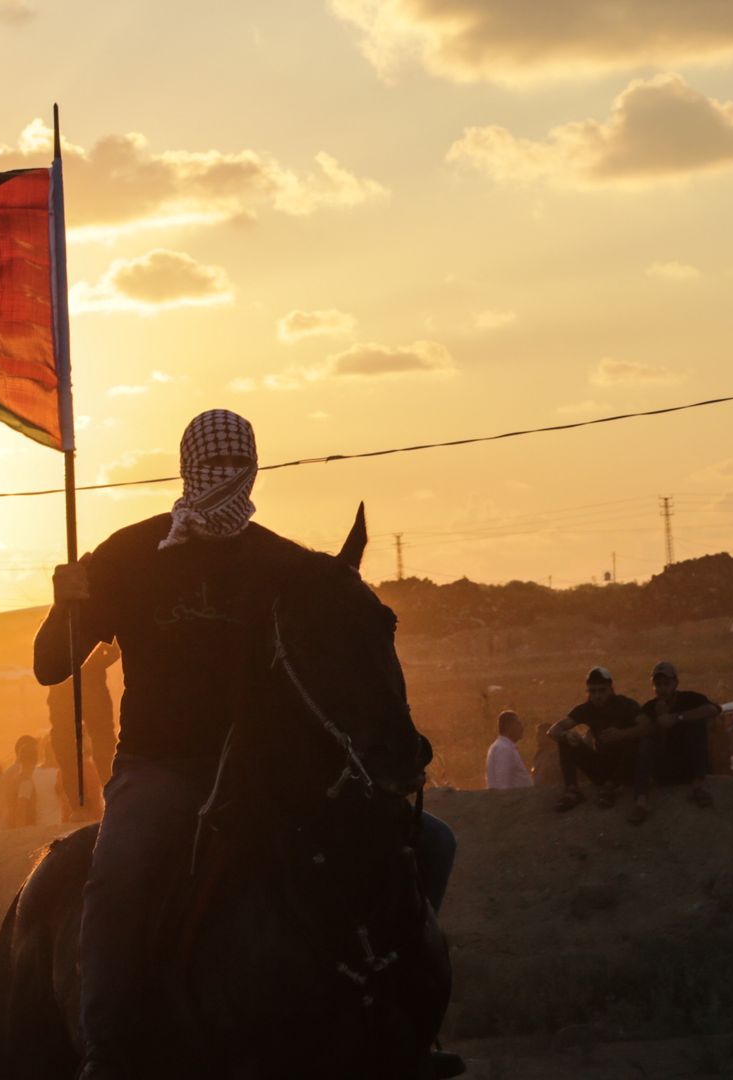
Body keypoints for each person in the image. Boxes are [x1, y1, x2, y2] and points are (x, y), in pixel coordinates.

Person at [32, 409, 459, 1078]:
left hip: (270, 771)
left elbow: (341, 645)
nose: (226, 478)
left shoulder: (283, 564)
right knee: (119, 874)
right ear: (186, 467)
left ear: (255, 467)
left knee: (431, 843)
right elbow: (50, 666)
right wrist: (67, 607)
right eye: (215, 465)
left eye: (239, 465)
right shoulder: (129, 556)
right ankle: (108, 1048)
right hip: (162, 768)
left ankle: (402, 1018)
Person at [548, 667, 650, 819]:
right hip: (601, 767)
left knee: (636, 740)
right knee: (566, 740)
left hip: (625, 767)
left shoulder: (625, 705)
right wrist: (566, 735)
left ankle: (612, 787)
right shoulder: (586, 709)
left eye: (601, 690)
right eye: (592, 691)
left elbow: (647, 726)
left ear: (611, 689)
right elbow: (553, 730)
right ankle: (572, 790)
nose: (597, 696)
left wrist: (621, 734)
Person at [637, 661, 721, 815]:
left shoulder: (689, 699)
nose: (662, 688)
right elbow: (639, 727)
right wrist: (657, 720)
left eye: (666, 683)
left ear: (675, 683)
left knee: (696, 724)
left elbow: (713, 709)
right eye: (658, 684)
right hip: (664, 769)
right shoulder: (650, 707)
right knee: (646, 741)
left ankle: (698, 787)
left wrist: (678, 717)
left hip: (688, 765)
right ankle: (641, 801)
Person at [48, 642, 120, 817]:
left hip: (64, 690)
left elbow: (43, 665)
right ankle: (114, 798)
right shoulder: (93, 620)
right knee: (102, 743)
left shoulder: (57, 624)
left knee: (69, 749)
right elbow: (115, 651)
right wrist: (95, 665)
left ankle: (82, 806)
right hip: (89, 688)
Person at [0, 735, 41, 829]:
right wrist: (21, 831)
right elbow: (20, 809)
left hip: (8, 821)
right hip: (16, 824)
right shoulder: (23, 776)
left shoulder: (12, 772)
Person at [485, 711, 534, 790]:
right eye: (518, 724)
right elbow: (503, 785)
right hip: (514, 800)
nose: (522, 728)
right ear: (509, 726)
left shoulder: (504, 747)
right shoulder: (504, 749)